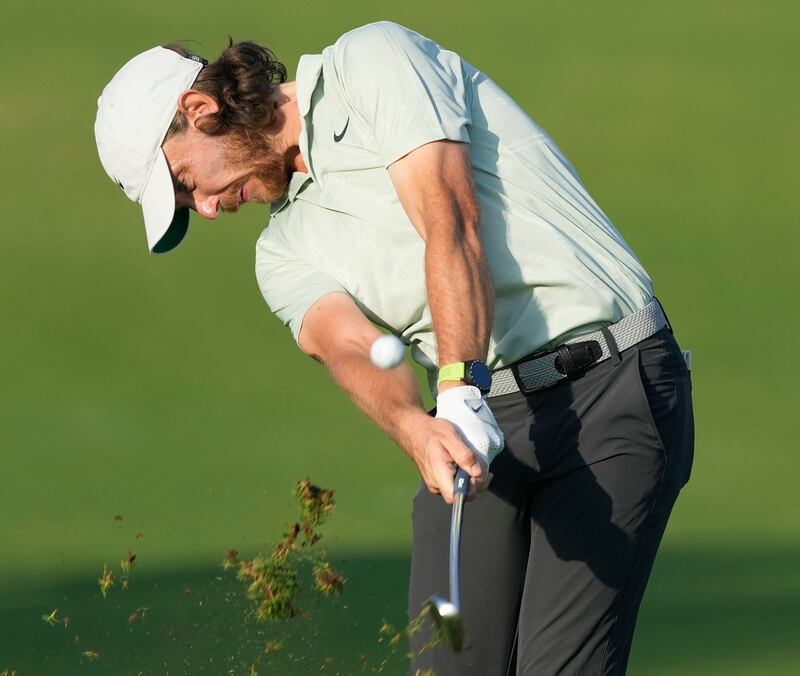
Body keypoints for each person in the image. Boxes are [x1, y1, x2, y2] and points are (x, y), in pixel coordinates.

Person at [95, 21, 694, 675]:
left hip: (610, 384)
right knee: (447, 665)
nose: (205, 211)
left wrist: (460, 383)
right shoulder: (282, 254)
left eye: (186, 184)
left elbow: (449, 215)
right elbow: (348, 346)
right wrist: (415, 427)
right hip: (478, 426)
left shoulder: (370, 62)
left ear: (202, 110)